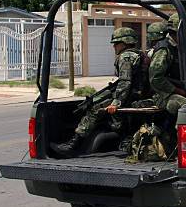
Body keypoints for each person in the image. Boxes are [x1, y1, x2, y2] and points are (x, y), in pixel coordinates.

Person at [51, 27, 145, 157]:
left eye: (116, 43)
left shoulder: (126, 57)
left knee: (95, 109)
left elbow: (125, 81)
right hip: (136, 94)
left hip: (131, 96)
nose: (114, 47)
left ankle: (72, 145)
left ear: (124, 43)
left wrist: (116, 103)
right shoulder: (138, 54)